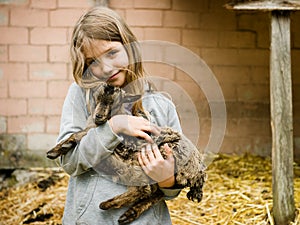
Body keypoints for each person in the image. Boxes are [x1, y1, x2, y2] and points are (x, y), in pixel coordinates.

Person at [58, 6, 184, 225]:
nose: (106, 68)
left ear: (129, 46)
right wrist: (113, 127)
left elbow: (174, 190)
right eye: (93, 62)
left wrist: (167, 178)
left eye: (112, 53)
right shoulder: (81, 95)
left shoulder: (161, 105)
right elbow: (68, 161)